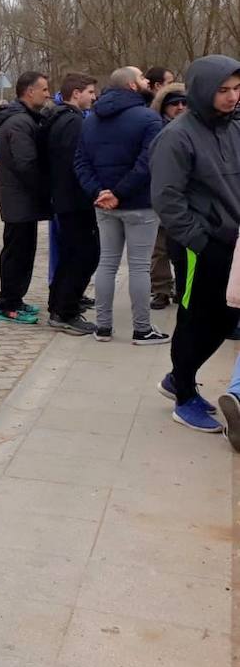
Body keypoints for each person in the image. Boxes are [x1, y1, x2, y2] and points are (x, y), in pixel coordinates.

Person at [150, 56, 240, 435]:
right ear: (203, 88)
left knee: (226, 318)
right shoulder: (176, 135)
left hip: (233, 243)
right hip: (198, 245)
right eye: (223, 90)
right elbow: (167, 199)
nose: (231, 97)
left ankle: (178, 377)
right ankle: (184, 396)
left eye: (236, 89)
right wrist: (200, 241)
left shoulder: (234, 128)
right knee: (194, 319)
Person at [74, 67, 168, 346]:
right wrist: (118, 193)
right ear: (131, 86)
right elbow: (148, 163)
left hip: (104, 205)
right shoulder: (149, 118)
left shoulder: (90, 120)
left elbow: (80, 162)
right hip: (139, 204)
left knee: (107, 263)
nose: (146, 82)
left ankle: (103, 327)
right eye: (141, 78)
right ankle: (142, 329)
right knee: (139, 267)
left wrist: (99, 192)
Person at [0, 72, 52, 324]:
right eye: (44, 89)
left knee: (24, 252)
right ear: (29, 92)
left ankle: (15, 298)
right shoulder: (19, 123)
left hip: (23, 201)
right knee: (16, 253)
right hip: (19, 200)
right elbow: (26, 164)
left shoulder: (25, 120)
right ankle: (7, 304)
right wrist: (45, 190)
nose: (48, 94)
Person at [44, 73, 99, 335]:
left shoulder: (60, 118)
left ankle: (60, 305)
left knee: (71, 255)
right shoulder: (72, 122)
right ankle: (65, 311)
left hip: (66, 198)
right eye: (90, 91)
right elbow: (75, 164)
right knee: (84, 255)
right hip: (74, 200)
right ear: (76, 93)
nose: (94, 97)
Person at [148, 84, 189, 308]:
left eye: (184, 103)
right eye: (174, 104)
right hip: (160, 196)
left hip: (185, 199)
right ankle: (161, 289)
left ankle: (181, 289)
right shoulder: (156, 127)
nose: (180, 107)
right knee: (160, 248)